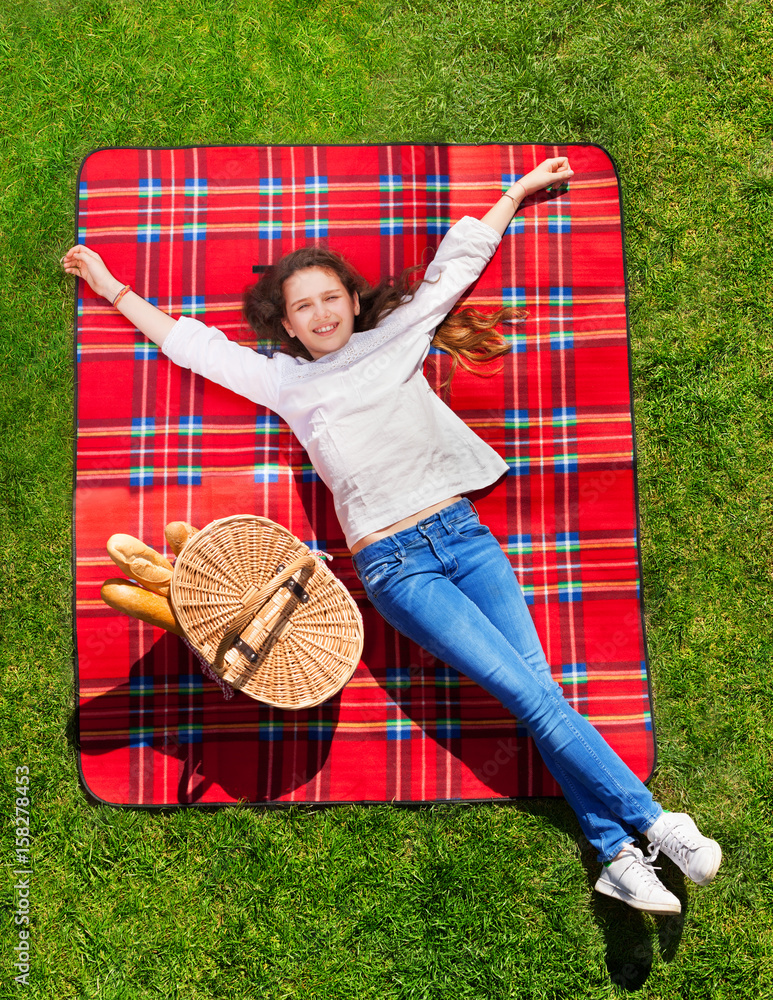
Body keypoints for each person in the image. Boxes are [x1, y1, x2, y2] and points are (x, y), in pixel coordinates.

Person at [62, 156, 721, 914]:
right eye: (300, 305)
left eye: (329, 296)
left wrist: (516, 191)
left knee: (540, 695)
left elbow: (452, 269)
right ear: (282, 321)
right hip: (396, 566)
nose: (319, 313)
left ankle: (614, 854)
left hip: (464, 538)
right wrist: (108, 286)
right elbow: (189, 344)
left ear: (351, 299)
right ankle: (656, 822)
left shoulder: (396, 339)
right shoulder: (282, 381)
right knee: (530, 697)